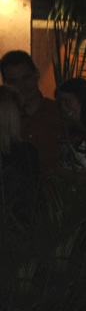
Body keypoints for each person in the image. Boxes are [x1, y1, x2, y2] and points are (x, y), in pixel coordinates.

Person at [0, 50, 62, 180]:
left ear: (37, 74)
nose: (21, 86)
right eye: (14, 81)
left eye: (26, 78)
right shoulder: (5, 122)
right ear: (6, 84)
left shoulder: (58, 111)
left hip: (60, 193)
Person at [0, 85, 42, 228]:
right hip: (19, 229)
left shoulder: (26, 151)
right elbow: (34, 199)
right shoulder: (26, 152)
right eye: (21, 111)